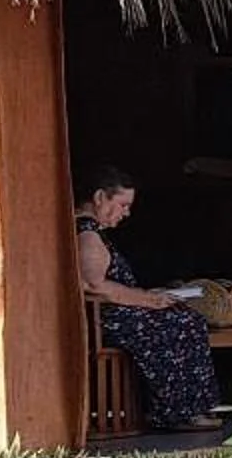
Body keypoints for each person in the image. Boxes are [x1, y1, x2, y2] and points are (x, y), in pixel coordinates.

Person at [76, 167, 222, 430]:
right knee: (182, 324)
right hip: (106, 321)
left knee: (185, 317)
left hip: (117, 313)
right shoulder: (86, 235)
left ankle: (189, 410)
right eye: (122, 204)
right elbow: (93, 285)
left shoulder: (93, 232)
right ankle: (178, 413)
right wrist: (148, 300)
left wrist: (151, 296)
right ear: (99, 197)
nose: (126, 213)